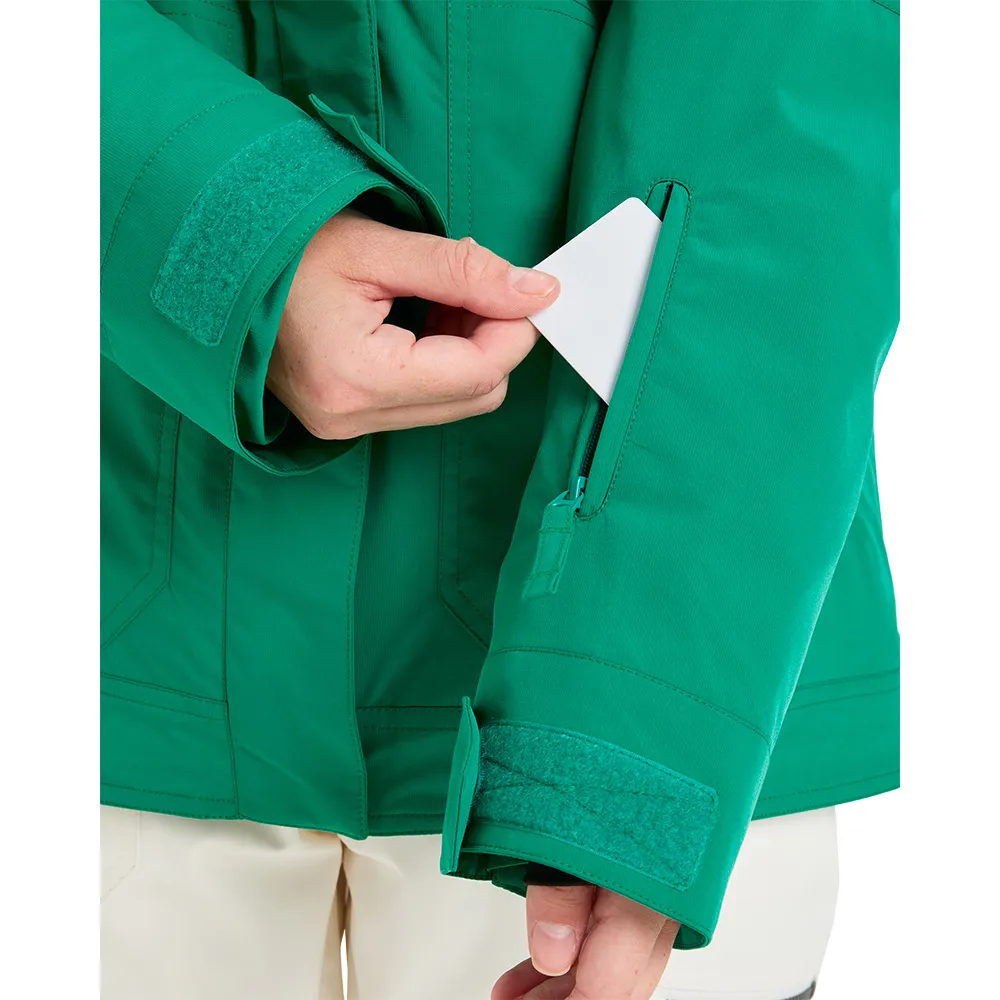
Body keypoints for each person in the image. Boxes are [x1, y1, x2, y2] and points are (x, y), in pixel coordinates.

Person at [100, 2, 900, 999]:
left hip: (665, 675)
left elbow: (786, 95)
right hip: (118, 678)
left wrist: (632, 734)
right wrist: (233, 240)